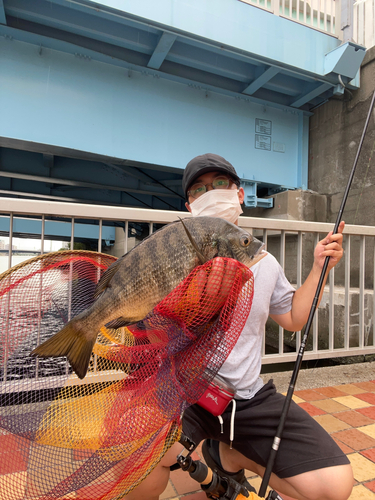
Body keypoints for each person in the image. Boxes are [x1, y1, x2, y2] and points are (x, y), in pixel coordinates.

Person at [125, 153, 353, 500]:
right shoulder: (173, 261)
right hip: (185, 393)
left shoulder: (264, 261)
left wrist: (320, 267)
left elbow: (293, 318)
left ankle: (230, 453)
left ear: (240, 194)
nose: (211, 193)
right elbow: (149, 336)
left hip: (247, 397)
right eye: (200, 190)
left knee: (333, 486)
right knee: (140, 462)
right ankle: (196, 452)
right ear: (190, 206)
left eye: (220, 184)